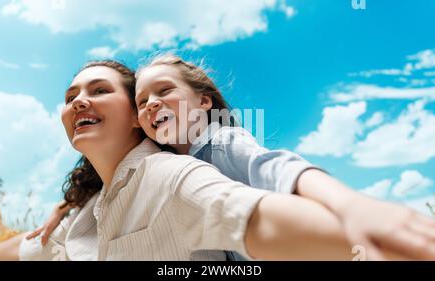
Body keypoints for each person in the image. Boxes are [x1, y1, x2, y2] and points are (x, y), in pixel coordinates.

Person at [31, 55, 435, 260]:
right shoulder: (149, 168)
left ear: (204, 102)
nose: (152, 105)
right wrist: (69, 203)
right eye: (142, 101)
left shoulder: (221, 143)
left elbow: (278, 167)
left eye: (165, 92)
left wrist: (353, 206)